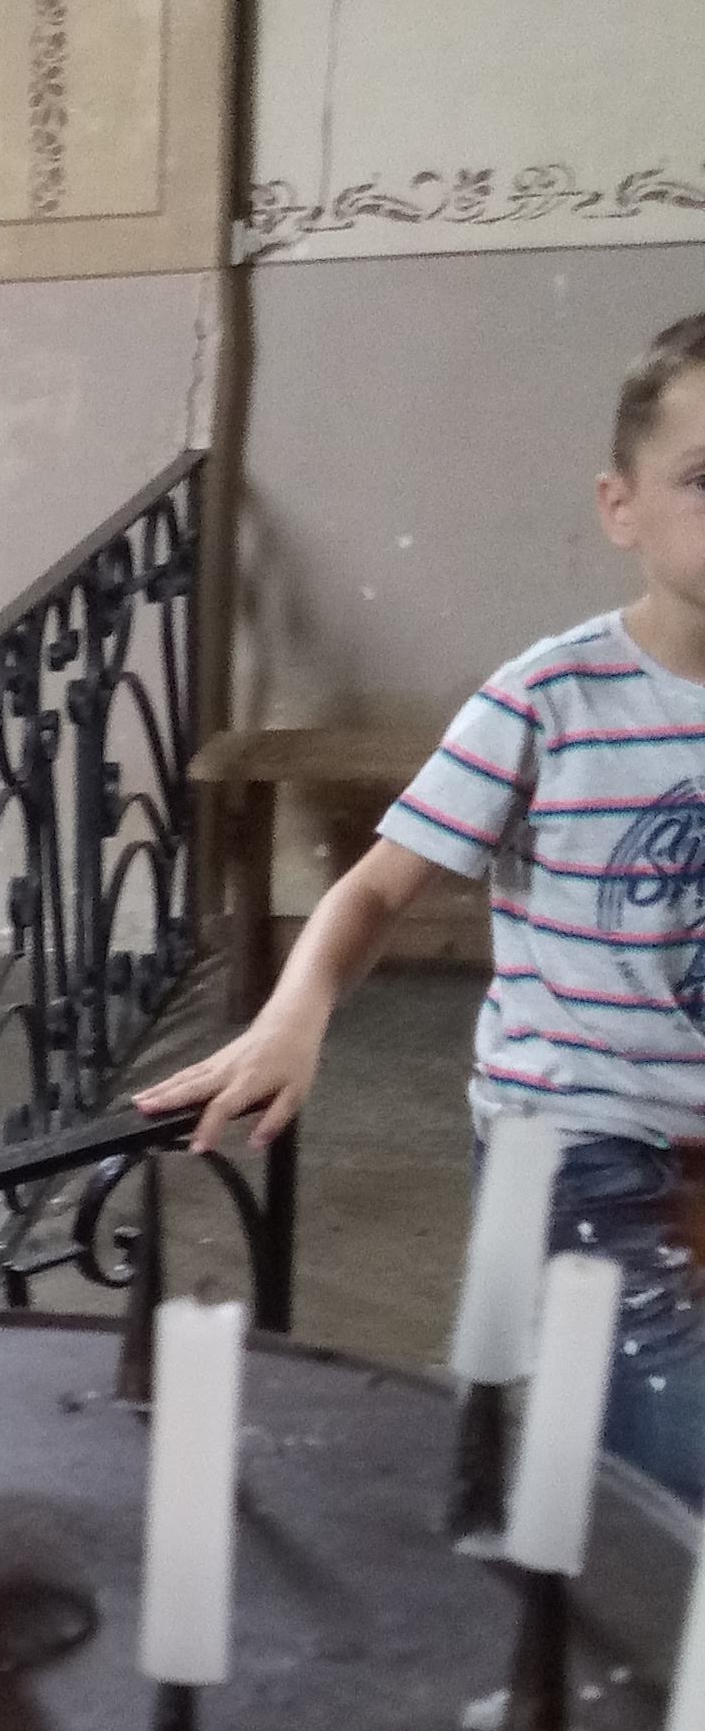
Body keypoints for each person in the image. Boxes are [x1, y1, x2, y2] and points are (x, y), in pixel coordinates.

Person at [144, 314, 705, 1506]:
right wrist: (294, 1014)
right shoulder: (552, 698)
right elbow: (373, 887)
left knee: (578, 1448)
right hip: (579, 1126)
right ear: (621, 508)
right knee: (675, 1447)